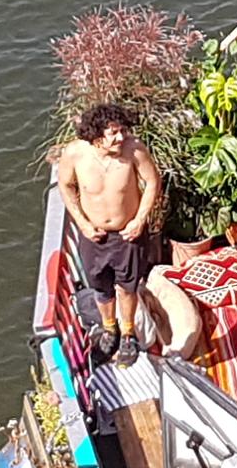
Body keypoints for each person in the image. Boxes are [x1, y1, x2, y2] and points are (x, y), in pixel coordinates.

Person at [58, 102, 162, 366]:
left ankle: (128, 333)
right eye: (113, 133)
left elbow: (152, 181)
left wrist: (139, 220)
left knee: (127, 287)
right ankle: (109, 330)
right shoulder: (75, 154)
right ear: (96, 136)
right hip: (94, 235)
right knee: (101, 288)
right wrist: (82, 223)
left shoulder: (134, 150)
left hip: (128, 234)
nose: (120, 137)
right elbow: (66, 186)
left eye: (122, 130)